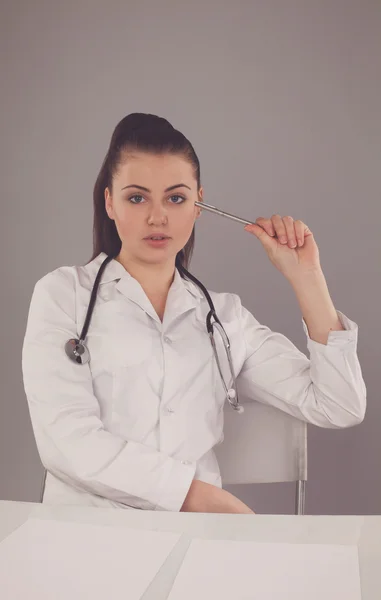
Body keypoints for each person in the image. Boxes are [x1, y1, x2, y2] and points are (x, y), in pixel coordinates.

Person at [21, 113, 366, 513]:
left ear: (199, 204)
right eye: (137, 197)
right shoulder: (64, 295)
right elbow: (67, 441)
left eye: (176, 197)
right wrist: (196, 496)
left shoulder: (223, 317)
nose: (158, 216)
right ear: (109, 202)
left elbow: (340, 405)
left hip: (198, 541)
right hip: (89, 539)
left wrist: (308, 279)